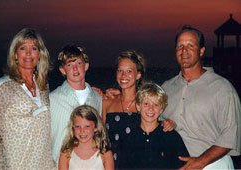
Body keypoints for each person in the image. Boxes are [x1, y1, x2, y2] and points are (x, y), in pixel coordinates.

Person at [161, 25, 241, 169]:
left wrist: (201, 161)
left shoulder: (222, 88)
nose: (184, 50)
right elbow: (149, 116)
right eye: (180, 46)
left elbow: (231, 135)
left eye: (190, 45)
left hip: (213, 164)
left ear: (201, 51)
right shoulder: (166, 88)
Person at [0, 28, 56, 169]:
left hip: (44, 165)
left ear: (40, 55)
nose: (28, 53)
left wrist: (91, 91)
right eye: (22, 48)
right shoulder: (1, 87)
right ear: (15, 54)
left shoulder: (43, 86)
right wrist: (0, 166)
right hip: (15, 165)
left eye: (33, 48)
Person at [102, 50, 174, 169]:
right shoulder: (106, 102)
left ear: (138, 75)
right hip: (111, 165)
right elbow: (100, 137)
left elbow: (156, 129)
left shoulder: (145, 104)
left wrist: (169, 123)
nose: (123, 76)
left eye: (129, 71)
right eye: (120, 70)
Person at [50, 43, 102, 163]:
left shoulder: (98, 99)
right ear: (62, 70)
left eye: (79, 63)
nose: (75, 69)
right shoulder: (52, 99)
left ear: (86, 66)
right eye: (69, 64)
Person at [118, 82, 189, 169]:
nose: (151, 109)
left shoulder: (171, 137)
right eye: (146, 104)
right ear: (138, 106)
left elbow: (184, 166)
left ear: (161, 109)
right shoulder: (129, 138)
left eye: (156, 105)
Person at [58, 105, 114, 170]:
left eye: (87, 126)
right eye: (78, 126)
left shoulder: (105, 154)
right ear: (73, 127)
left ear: (96, 127)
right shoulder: (66, 154)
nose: (82, 131)